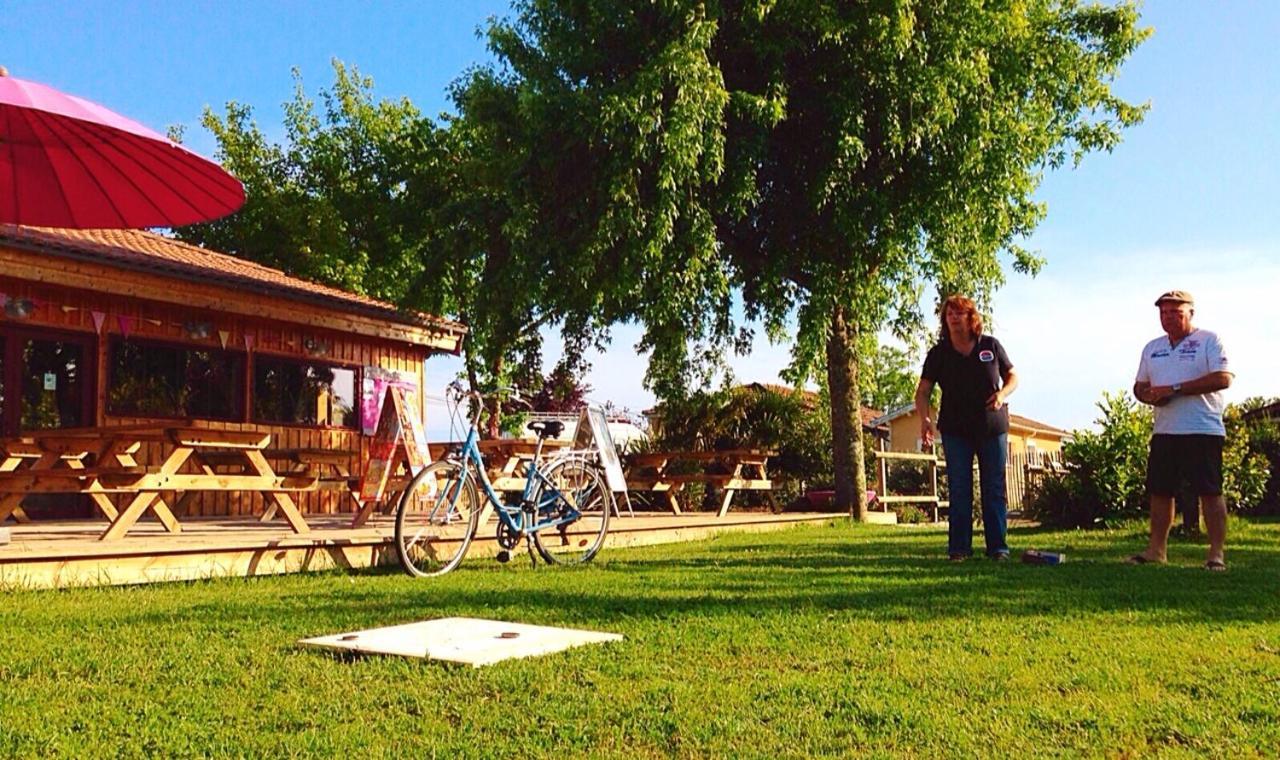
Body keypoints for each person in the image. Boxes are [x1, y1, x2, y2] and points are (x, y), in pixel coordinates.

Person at [1130, 290, 1233, 570]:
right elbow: (1139, 386)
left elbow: (1224, 378)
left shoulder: (1209, 341)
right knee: (1160, 491)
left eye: (1176, 312)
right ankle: (1156, 550)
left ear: (1191, 313)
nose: (1169, 318)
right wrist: (1149, 394)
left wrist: (1176, 389)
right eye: (1164, 313)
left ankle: (1215, 554)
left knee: (1210, 491)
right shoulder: (1152, 348)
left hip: (1202, 428)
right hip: (1165, 431)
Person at [914, 295, 1019, 561]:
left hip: (991, 426)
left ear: (970, 317)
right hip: (955, 429)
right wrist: (925, 419)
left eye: (959, 313)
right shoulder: (939, 354)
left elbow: (1013, 376)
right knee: (959, 489)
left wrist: (1002, 394)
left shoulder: (990, 345)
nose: (953, 317)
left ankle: (998, 548)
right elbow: (923, 391)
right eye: (949, 314)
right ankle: (959, 549)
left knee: (993, 487)